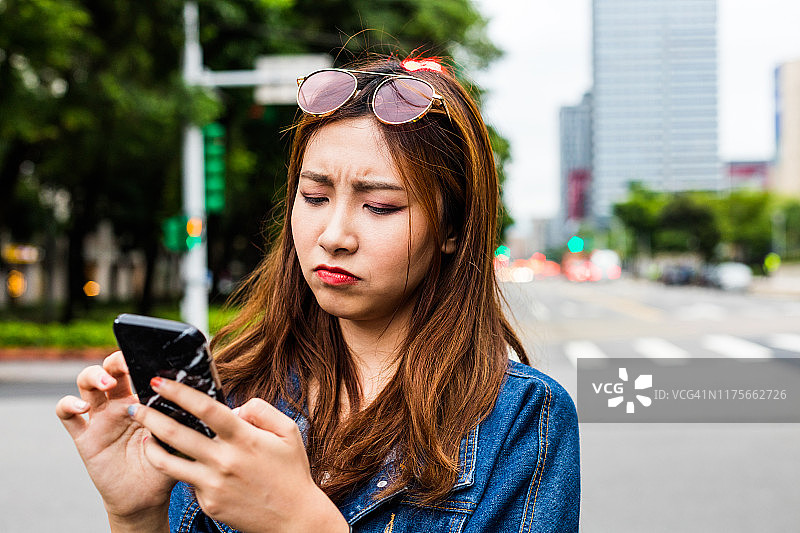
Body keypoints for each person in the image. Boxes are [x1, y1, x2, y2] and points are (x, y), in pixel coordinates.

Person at [56, 56, 580, 533]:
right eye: (314, 196)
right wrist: (136, 515)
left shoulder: (521, 417)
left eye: (379, 206)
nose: (334, 236)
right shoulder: (233, 387)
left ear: (453, 229)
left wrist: (304, 524)